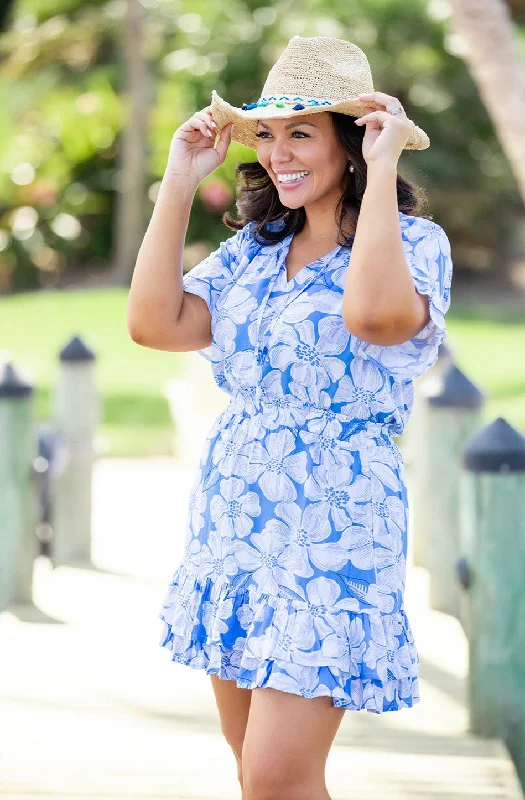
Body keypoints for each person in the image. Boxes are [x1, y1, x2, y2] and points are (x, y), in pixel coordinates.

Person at [127, 35, 453, 800]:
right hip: (236, 517)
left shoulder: (414, 243)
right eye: (266, 135)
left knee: (278, 777)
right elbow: (155, 324)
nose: (277, 154)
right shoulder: (253, 249)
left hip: (334, 527)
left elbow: (374, 317)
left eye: (299, 132)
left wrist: (382, 175)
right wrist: (177, 183)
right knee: (255, 775)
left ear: (349, 142)